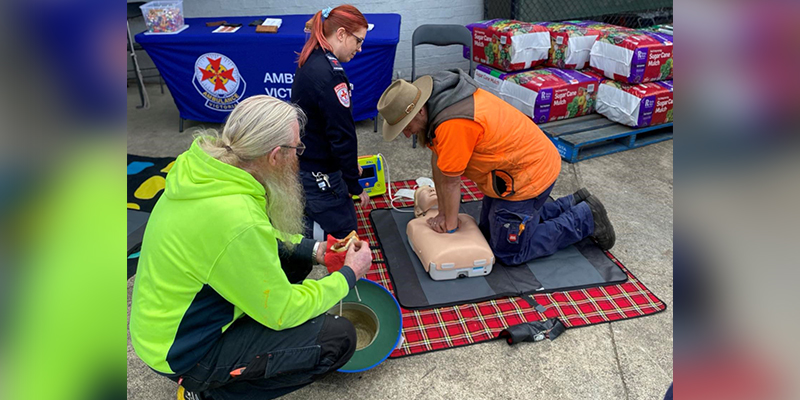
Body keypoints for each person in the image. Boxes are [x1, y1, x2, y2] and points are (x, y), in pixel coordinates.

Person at [130, 95, 373, 400]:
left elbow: (259, 237)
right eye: (297, 148)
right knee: (338, 340)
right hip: (182, 351)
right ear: (275, 155)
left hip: (164, 326)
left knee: (295, 259)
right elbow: (282, 310)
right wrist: (349, 275)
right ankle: (206, 392)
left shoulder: (211, 172)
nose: (300, 155)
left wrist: (318, 250)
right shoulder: (236, 219)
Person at [376, 69, 616, 265]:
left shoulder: (453, 124)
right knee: (488, 231)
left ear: (418, 110)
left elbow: (451, 181)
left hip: (527, 176)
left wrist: (448, 224)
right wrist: (442, 213)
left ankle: (585, 218)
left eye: (406, 126)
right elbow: (440, 164)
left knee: (507, 252)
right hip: (517, 168)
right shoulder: (438, 102)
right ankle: (572, 203)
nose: (406, 134)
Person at [291, 5, 370, 241]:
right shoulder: (332, 75)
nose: (360, 48)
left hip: (306, 162)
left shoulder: (313, 57)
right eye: (358, 40)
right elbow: (342, 135)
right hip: (320, 171)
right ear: (342, 34)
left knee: (309, 224)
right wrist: (353, 184)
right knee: (345, 236)